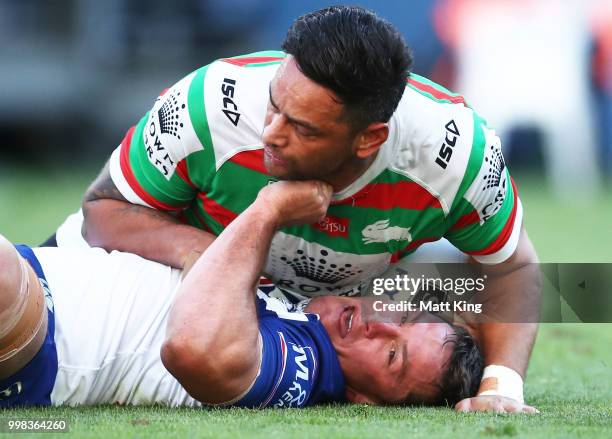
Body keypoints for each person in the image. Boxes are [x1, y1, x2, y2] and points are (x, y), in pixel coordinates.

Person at [51, 6, 540, 411]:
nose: (270, 133)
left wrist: (501, 384)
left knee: (460, 295)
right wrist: (221, 258)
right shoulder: (210, 105)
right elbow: (103, 213)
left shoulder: (453, 156)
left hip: (288, 327)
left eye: (303, 128)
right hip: (125, 293)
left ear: (370, 138)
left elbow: (512, 267)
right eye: (274, 104)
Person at [0, 180, 492, 409]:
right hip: (39, 273)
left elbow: (191, 345)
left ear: (366, 399)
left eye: (391, 355)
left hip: (43, 338)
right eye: (400, 319)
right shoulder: (314, 304)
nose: (376, 325)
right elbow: (99, 222)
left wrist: (269, 208)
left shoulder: (306, 366)